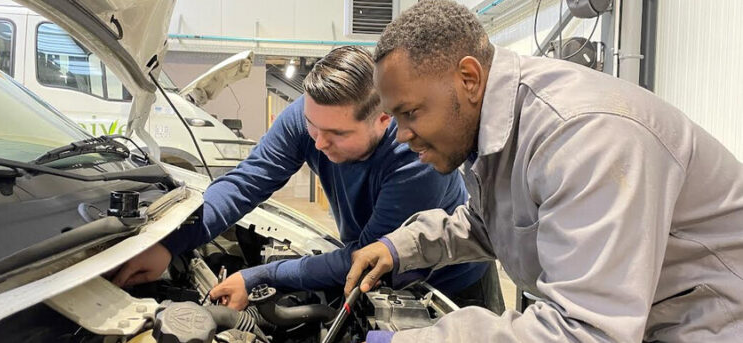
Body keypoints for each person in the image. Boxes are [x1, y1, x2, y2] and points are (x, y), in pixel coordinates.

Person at [346, 0, 743, 342]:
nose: (400, 136)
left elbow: (583, 331)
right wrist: (400, 248)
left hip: (716, 324)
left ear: (469, 78)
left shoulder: (583, 137)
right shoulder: (499, 132)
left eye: (410, 113)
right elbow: (493, 223)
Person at [113, 46, 498, 312]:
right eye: (312, 126)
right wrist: (172, 243)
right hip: (369, 260)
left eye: (337, 134)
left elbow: (362, 258)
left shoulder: (415, 156)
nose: (317, 141)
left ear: (384, 118)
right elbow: (246, 181)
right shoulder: (309, 117)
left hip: (448, 282)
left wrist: (261, 276)